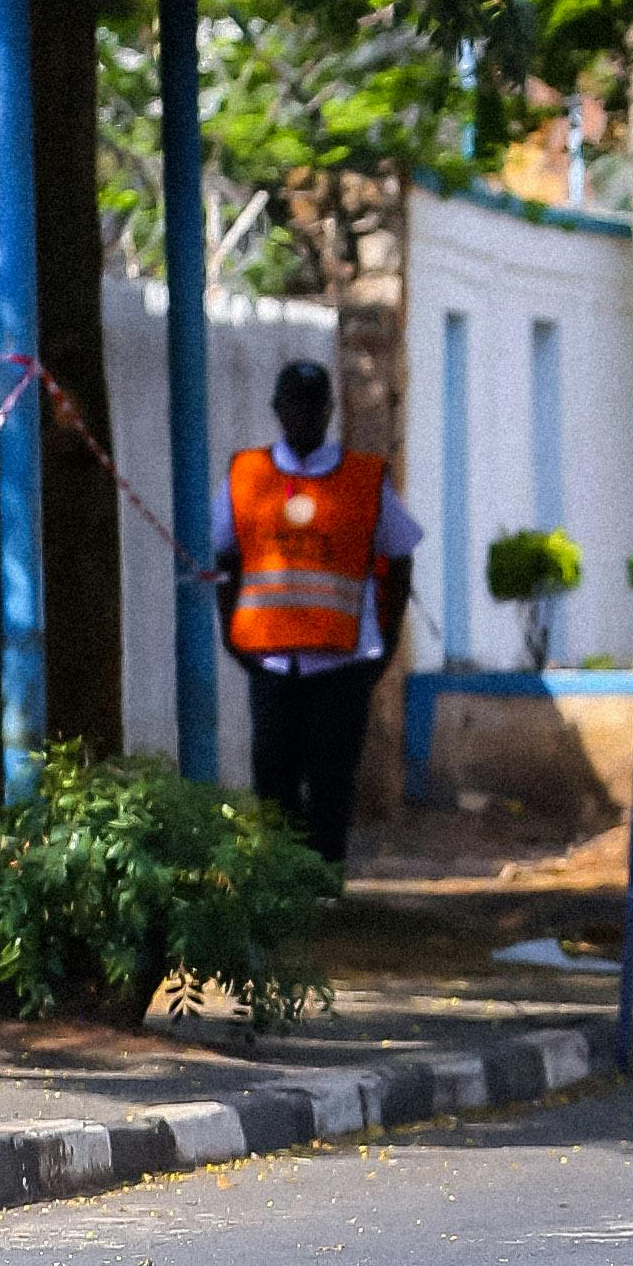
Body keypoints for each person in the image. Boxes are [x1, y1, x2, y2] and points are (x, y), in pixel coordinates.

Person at [214, 356, 418, 877]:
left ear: (329, 410)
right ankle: (281, 889)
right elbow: (224, 557)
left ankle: (325, 887)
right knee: (275, 783)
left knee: (332, 783)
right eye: (294, 404)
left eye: (314, 405)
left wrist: (387, 643)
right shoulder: (247, 474)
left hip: (343, 664)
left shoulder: (363, 478)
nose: (303, 415)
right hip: (272, 664)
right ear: (277, 409)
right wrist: (233, 635)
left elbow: (398, 557)